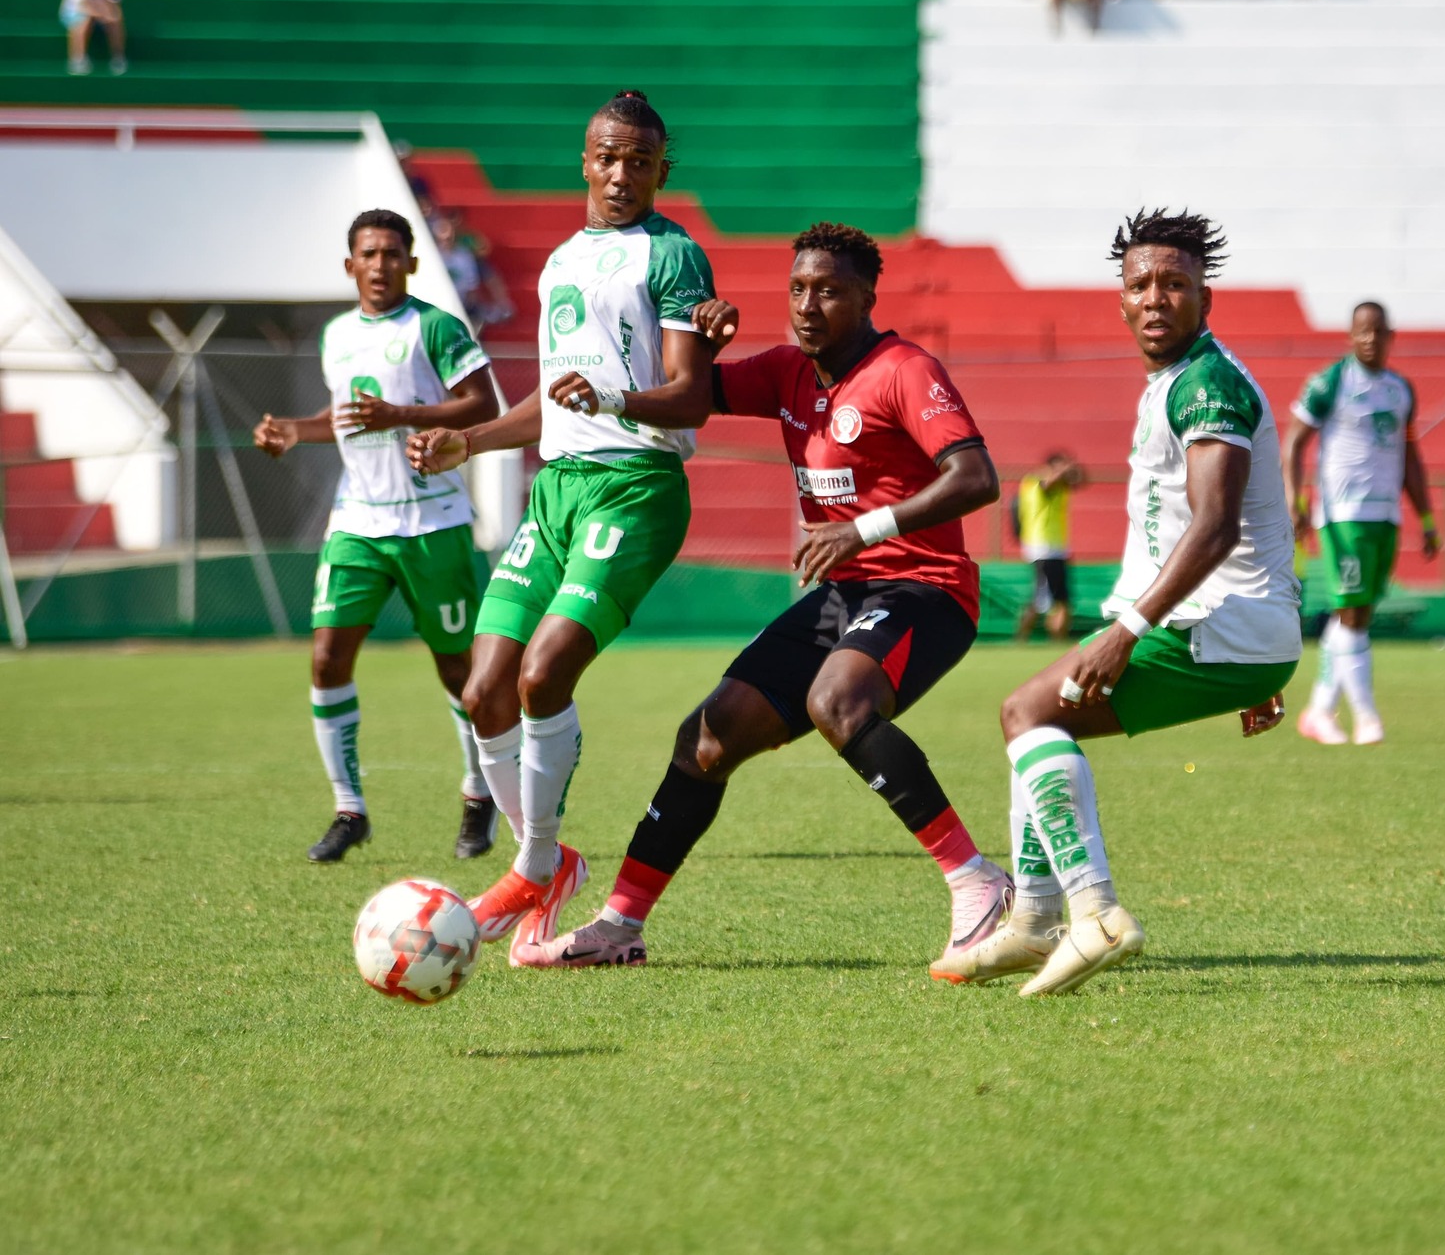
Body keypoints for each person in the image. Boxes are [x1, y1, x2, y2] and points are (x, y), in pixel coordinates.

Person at [517, 224, 1012, 973]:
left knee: (837, 702)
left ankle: (977, 882)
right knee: (707, 738)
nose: (810, 305)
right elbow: (689, 400)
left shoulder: (904, 369)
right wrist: (665, 366)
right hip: (848, 593)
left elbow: (977, 478)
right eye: (799, 289)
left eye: (831, 291)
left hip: (927, 590)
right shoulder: (786, 371)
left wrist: (861, 529)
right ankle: (620, 925)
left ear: (868, 298)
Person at [935, 209, 1300, 996]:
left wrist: (1127, 630)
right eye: (1142, 284)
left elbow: (1217, 527)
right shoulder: (1177, 379)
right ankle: (1032, 923)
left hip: (1217, 626)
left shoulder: (1207, 383)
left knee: (1027, 713)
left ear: (1208, 297)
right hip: (1234, 630)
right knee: (1036, 717)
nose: (1157, 297)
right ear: (1121, 300)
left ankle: (1093, 914)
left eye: (1176, 283)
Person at [407, 90, 718, 963]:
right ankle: (549, 858)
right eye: (606, 157)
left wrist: (616, 398)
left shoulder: (675, 257)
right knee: (482, 690)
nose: (620, 174)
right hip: (556, 491)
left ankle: (536, 864)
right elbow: (552, 401)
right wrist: (466, 440)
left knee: (544, 675)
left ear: (662, 170)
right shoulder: (557, 265)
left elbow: (692, 392)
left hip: (634, 488)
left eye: (639, 161)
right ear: (584, 161)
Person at [254, 210, 501, 863]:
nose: (381, 264)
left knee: (457, 669)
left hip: (434, 523)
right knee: (327, 656)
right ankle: (349, 809)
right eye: (369, 253)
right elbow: (345, 418)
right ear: (349, 265)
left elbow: (485, 407)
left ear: (412, 264)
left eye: (394, 253)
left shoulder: (435, 327)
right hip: (357, 521)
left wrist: (403, 415)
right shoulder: (336, 336)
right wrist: (295, 432)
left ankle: (479, 796)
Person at [1284, 301, 1438, 745]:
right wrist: (1297, 501)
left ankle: (1318, 710)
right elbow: (1293, 442)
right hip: (1342, 515)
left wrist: (1426, 517)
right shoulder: (1331, 382)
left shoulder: (1400, 389)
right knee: (1351, 613)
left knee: (1358, 614)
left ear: (1391, 335)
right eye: (1362, 332)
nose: (1370, 339)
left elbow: (1410, 456)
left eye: (1378, 331)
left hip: (1384, 516)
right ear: (1350, 336)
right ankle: (1366, 717)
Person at [1014, 451, 1086, 641]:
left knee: (1051, 599)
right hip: (1042, 548)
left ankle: (1042, 638)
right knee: (1048, 600)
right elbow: (1048, 484)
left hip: (1056, 548)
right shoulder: (1035, 481)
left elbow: (1081, 480)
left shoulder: (1061, 486)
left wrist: (1071, 470)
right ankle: (1027, 638)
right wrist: (1064, 470)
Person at [60, 0, 124, 76]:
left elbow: (115, 5)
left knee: (116, 19)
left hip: (101, 11)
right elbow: (80, 5)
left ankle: (118, 58)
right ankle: (77, 60)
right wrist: (101, 13)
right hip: (73, 10)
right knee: (83, 20)